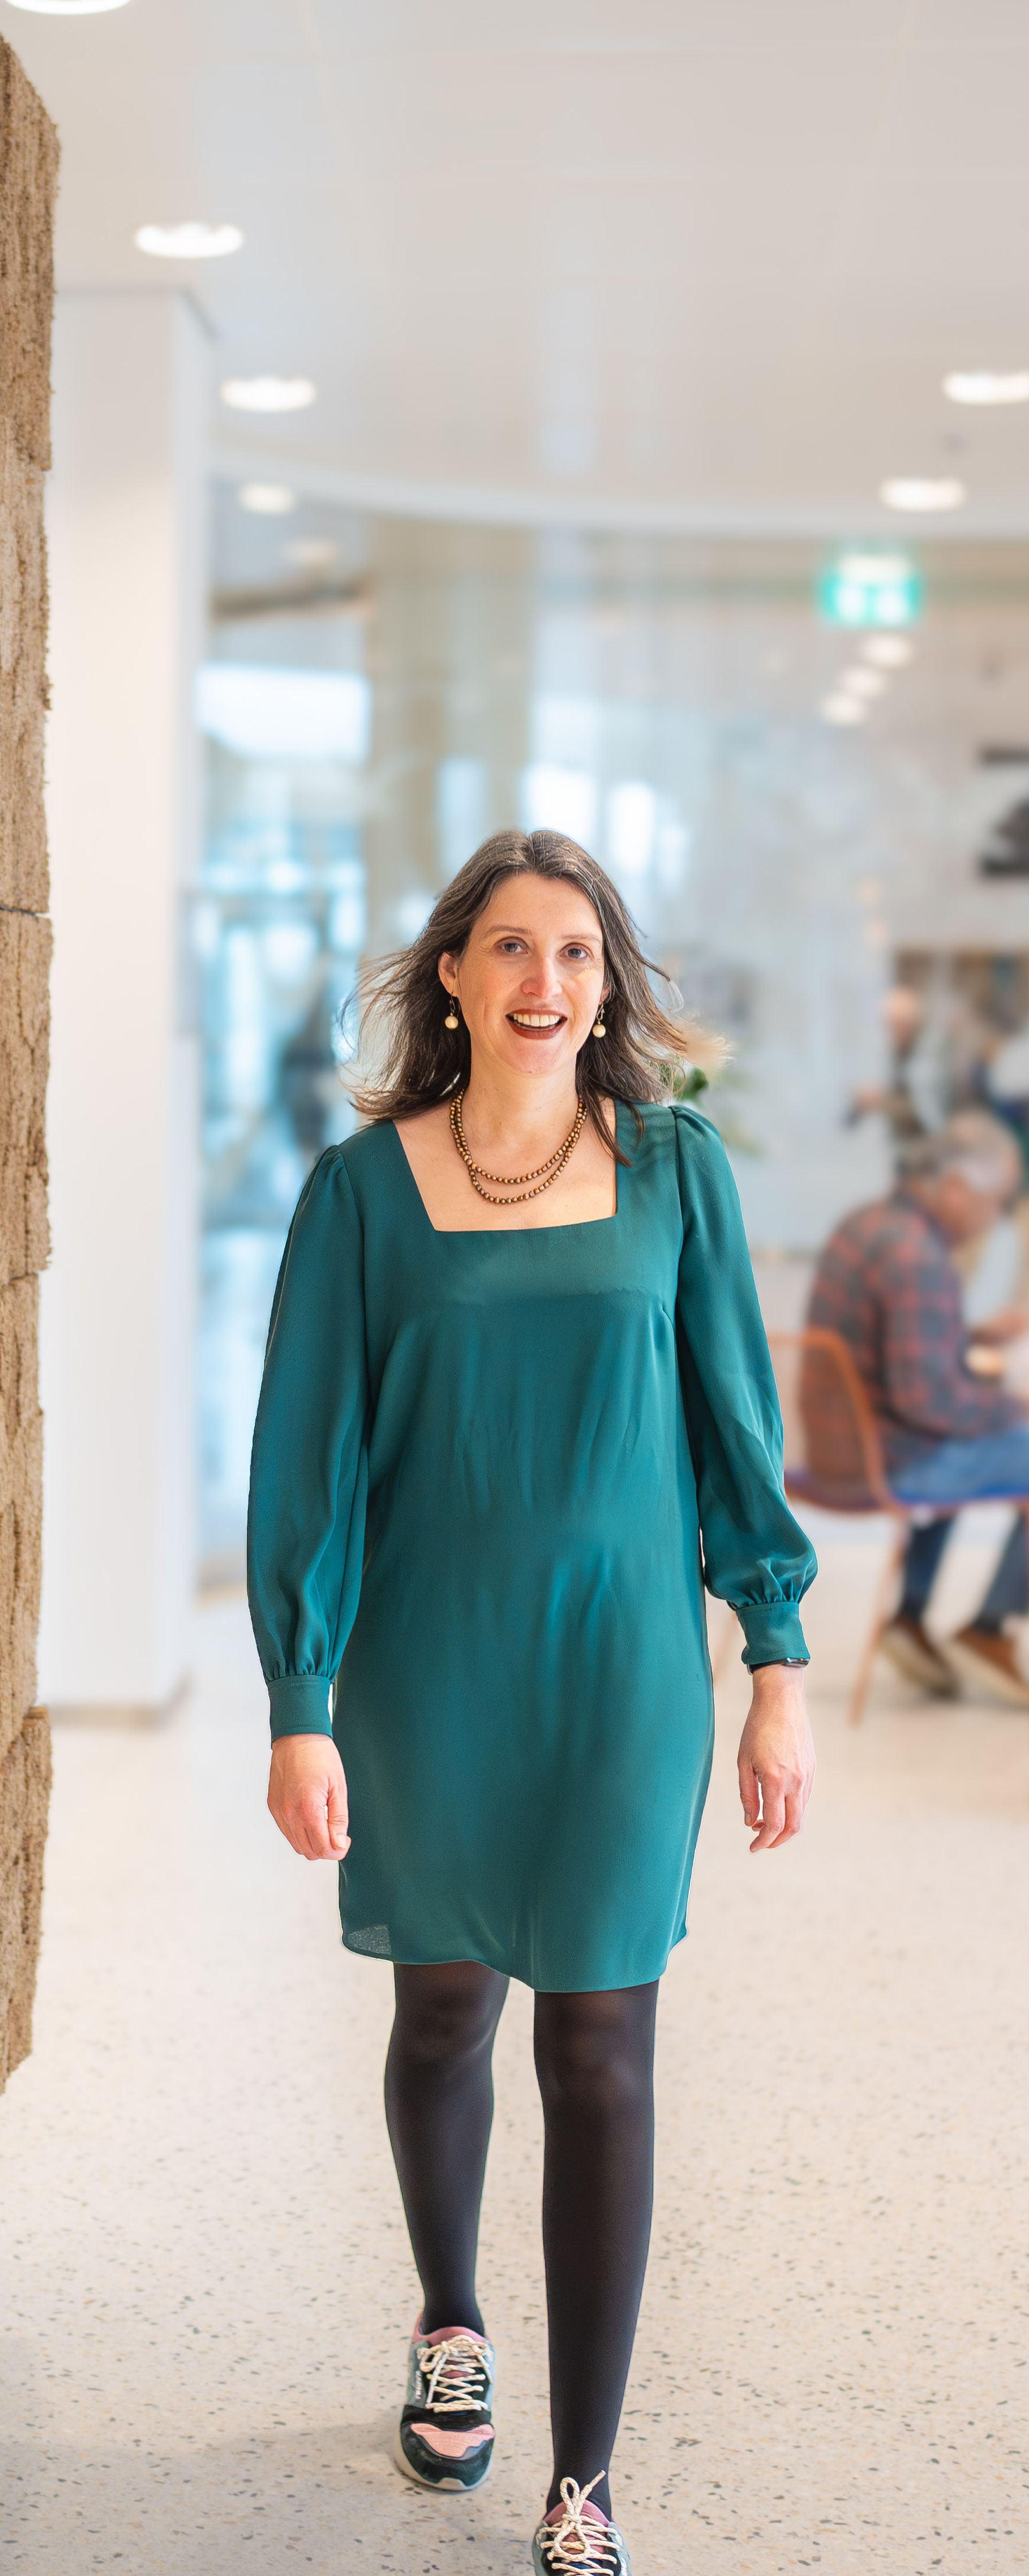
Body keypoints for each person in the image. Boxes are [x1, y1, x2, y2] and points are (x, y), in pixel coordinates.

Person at [248, 829, 815, 2576]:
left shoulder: (675, 1170)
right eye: (511, 948)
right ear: (456, 980)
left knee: (604, 2050)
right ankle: (448, 2316)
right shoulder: (362, 1190)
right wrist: (300, 1695)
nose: (545, 980)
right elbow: (308, 1463)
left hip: (625, 1673)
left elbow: (736, 1428)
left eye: (577, 951)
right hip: (428, 1670)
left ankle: (587, 2473)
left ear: (605, 985)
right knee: (444, 2019)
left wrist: (777, 1667)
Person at [807, 1111, 1029, 1702]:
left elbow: (897, 1355)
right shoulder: (917, 1255)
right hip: (889, 1459)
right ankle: (990, 1629)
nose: (992, 1220)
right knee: (1004, 1438)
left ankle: (910, 1617)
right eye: (995, 1202)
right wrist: (1012, 1409)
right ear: (956, 1187)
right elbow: (928, 1400)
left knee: (977, 1436)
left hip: (834, 1449)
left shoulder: (869, 1225)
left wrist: (973, 1338)